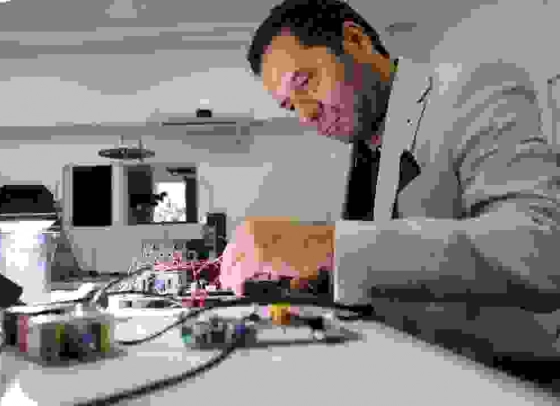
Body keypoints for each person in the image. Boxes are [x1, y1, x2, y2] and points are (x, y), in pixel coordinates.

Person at [219, 0, 560, 382]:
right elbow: (393, 264)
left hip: (508, 378)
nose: (306, 114)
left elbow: (541, 249)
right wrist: (318, 276)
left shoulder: (473, 88)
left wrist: (327, 246)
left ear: (355, 40)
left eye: (305, 82)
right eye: (288, 105)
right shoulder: (367, 143)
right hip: (419, 370)